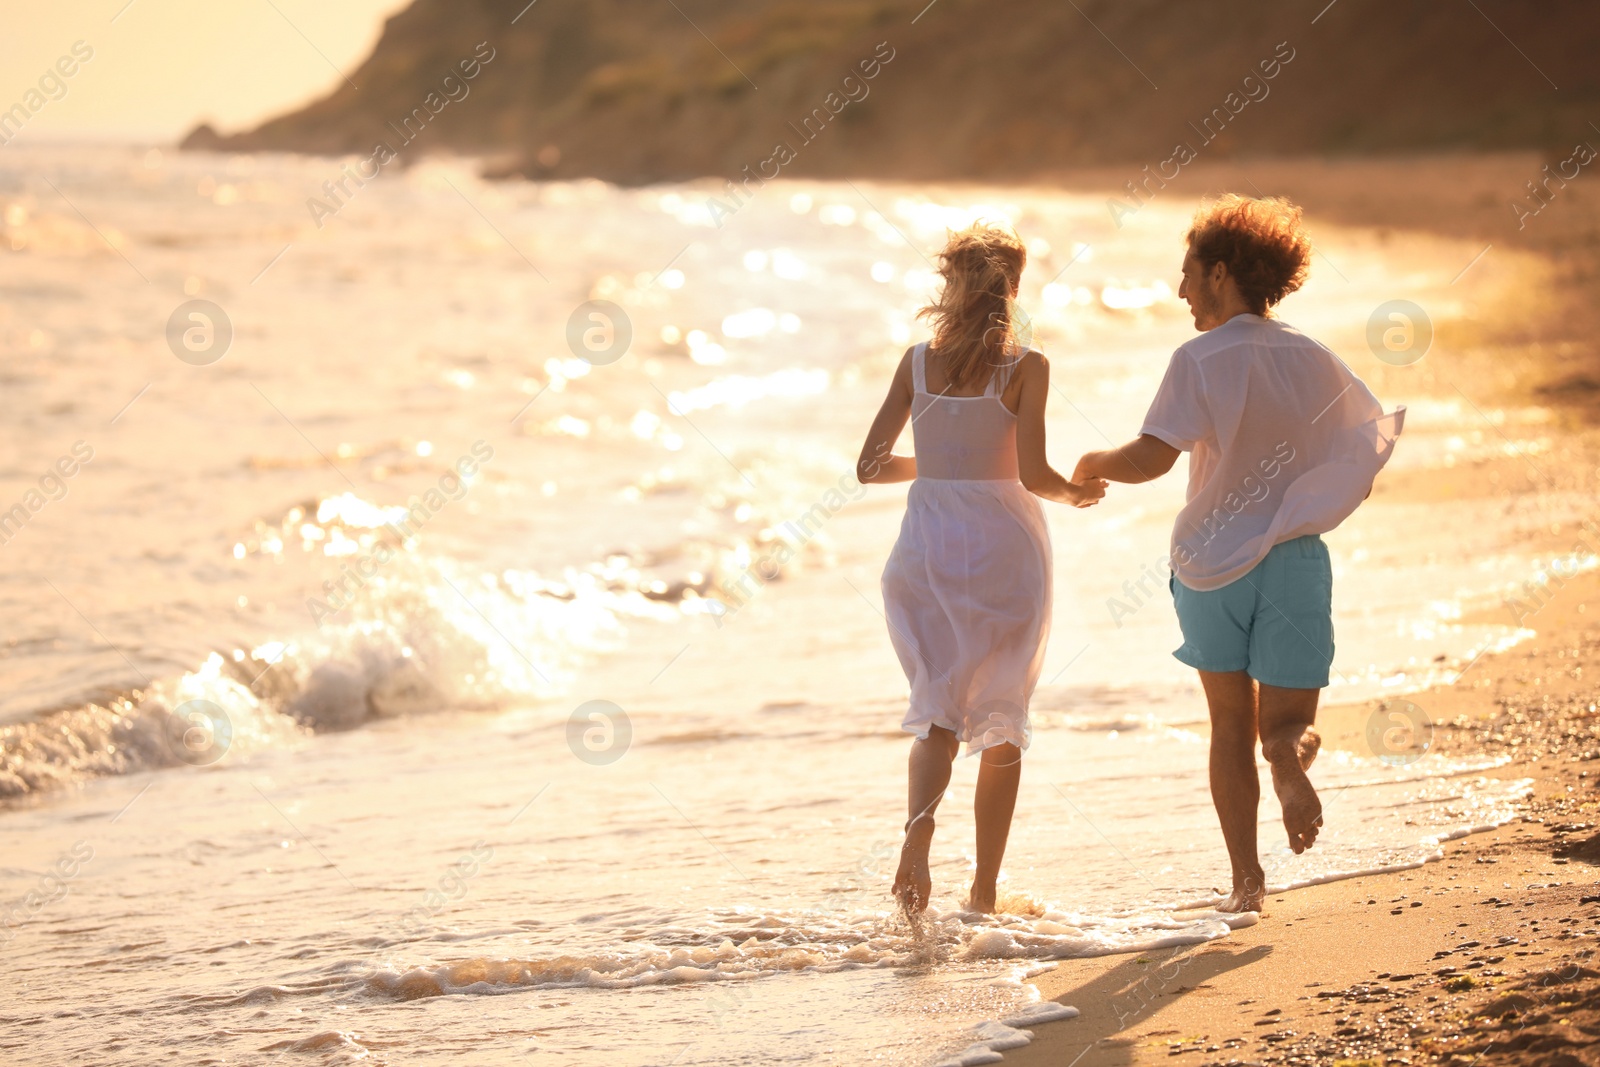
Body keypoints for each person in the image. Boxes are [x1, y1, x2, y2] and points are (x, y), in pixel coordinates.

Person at [1074, 195, 1404, 913]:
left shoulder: (1196, 359)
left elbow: (1151, 458)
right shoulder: (1312, 357)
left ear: (1221, 272)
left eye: (1188, 272)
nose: (1180, 288)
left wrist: (1093, 459)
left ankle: (1247, 883)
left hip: (1207, 568)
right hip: (1290, 559)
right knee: (1284, 724)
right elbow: (1363, 452)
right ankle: (1287, 762)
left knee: (1228, 724)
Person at [857, 223, 1107, 916]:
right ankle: (984, 890)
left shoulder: (915, 363)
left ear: (949, 287)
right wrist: (1078, 492)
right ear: (1014, 289)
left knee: (937, 710)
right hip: (1002, 547)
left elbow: (868, 466)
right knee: (1002, 717)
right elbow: (1035, 474)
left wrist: (943, 463)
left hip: (925, 550)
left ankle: (917, 835)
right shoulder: (1027, 366)